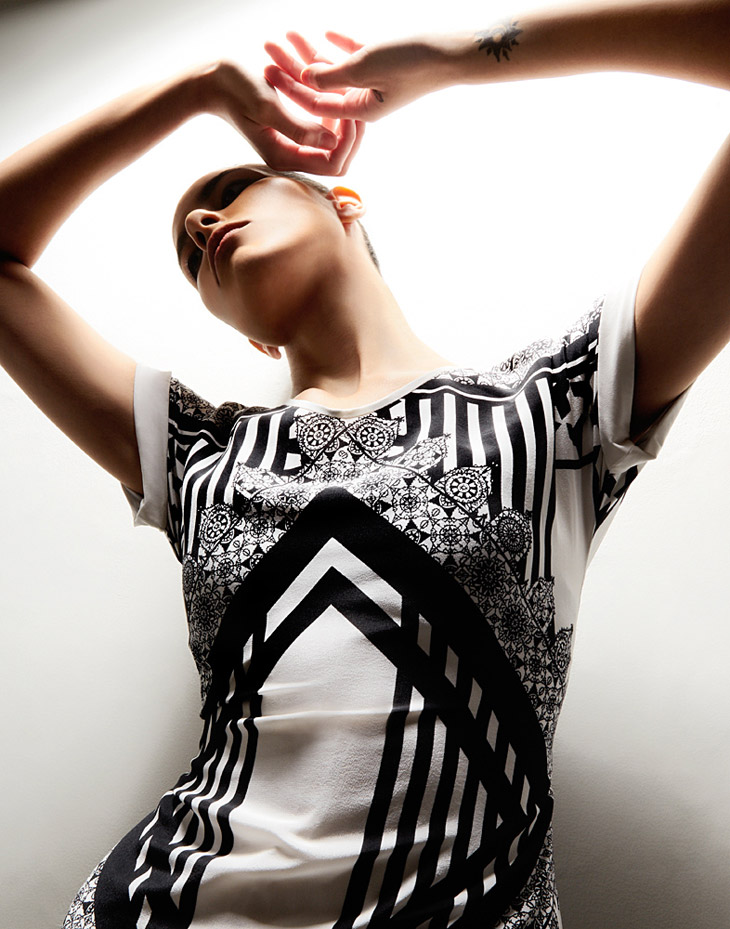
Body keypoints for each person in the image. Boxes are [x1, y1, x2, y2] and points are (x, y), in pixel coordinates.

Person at [1, 1, 729, 926]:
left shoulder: (555, 408)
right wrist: (194, 91)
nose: (205, 224)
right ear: (250, 341)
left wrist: (460, 56)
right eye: (190, 247)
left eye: (236, 190)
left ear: (341, 200)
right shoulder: (198, 453)